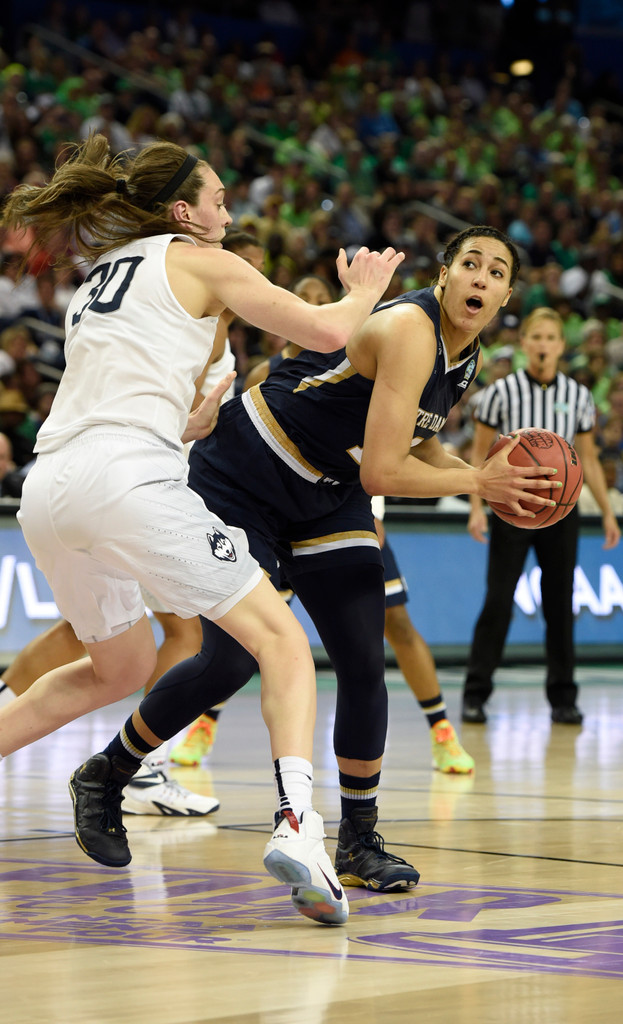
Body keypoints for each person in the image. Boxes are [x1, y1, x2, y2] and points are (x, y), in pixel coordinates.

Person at [76, 225, 561, 895]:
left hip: (327, 493)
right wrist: (479, 483)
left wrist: (475, 471)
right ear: (443, 273)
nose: (480, 277)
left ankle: (359, 839)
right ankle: (106, 774)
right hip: (246, 474)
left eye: (495, 271)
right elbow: (384, 471)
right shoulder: (409, 332)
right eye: (468, 263)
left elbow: (412, 447)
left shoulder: (466, 357)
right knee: (232, 659)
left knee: (364, 656)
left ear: (506, 294)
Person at [0, 133, 406, 927]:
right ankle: (300, 828)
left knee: (116, 668)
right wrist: (363, 290)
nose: (227, 211)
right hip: (124, 479)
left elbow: (128, 390)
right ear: (185, 211)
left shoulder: (98, 278)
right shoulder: (199, 258)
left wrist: (192, 420)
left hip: (51, 486)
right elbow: (325, 332)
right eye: (218, 198)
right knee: (281, 643)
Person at [171, 274, 475, 774]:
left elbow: (400, 445)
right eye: (305, 304)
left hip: (345, 503)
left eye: (322, 302)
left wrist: (375, 515)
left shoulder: (387, 353)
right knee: (248, 642)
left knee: (389, 625)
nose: (314, 310)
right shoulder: (272, 373)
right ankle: (205, 726)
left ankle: (441, 729)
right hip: (264, 499)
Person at [461, 306, 621, 727]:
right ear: (524, 343)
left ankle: (563, 698)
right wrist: (476, 505)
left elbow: (587, 457)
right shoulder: (500, 392)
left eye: (551, 338)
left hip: (561, 511)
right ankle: (475, 694)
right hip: (511, 507)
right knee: (498, 601)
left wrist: (607, 512)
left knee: (559, 604)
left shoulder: (579, 396)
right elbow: (479, 453)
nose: (544, 345)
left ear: (561, 346)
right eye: (537, 338)